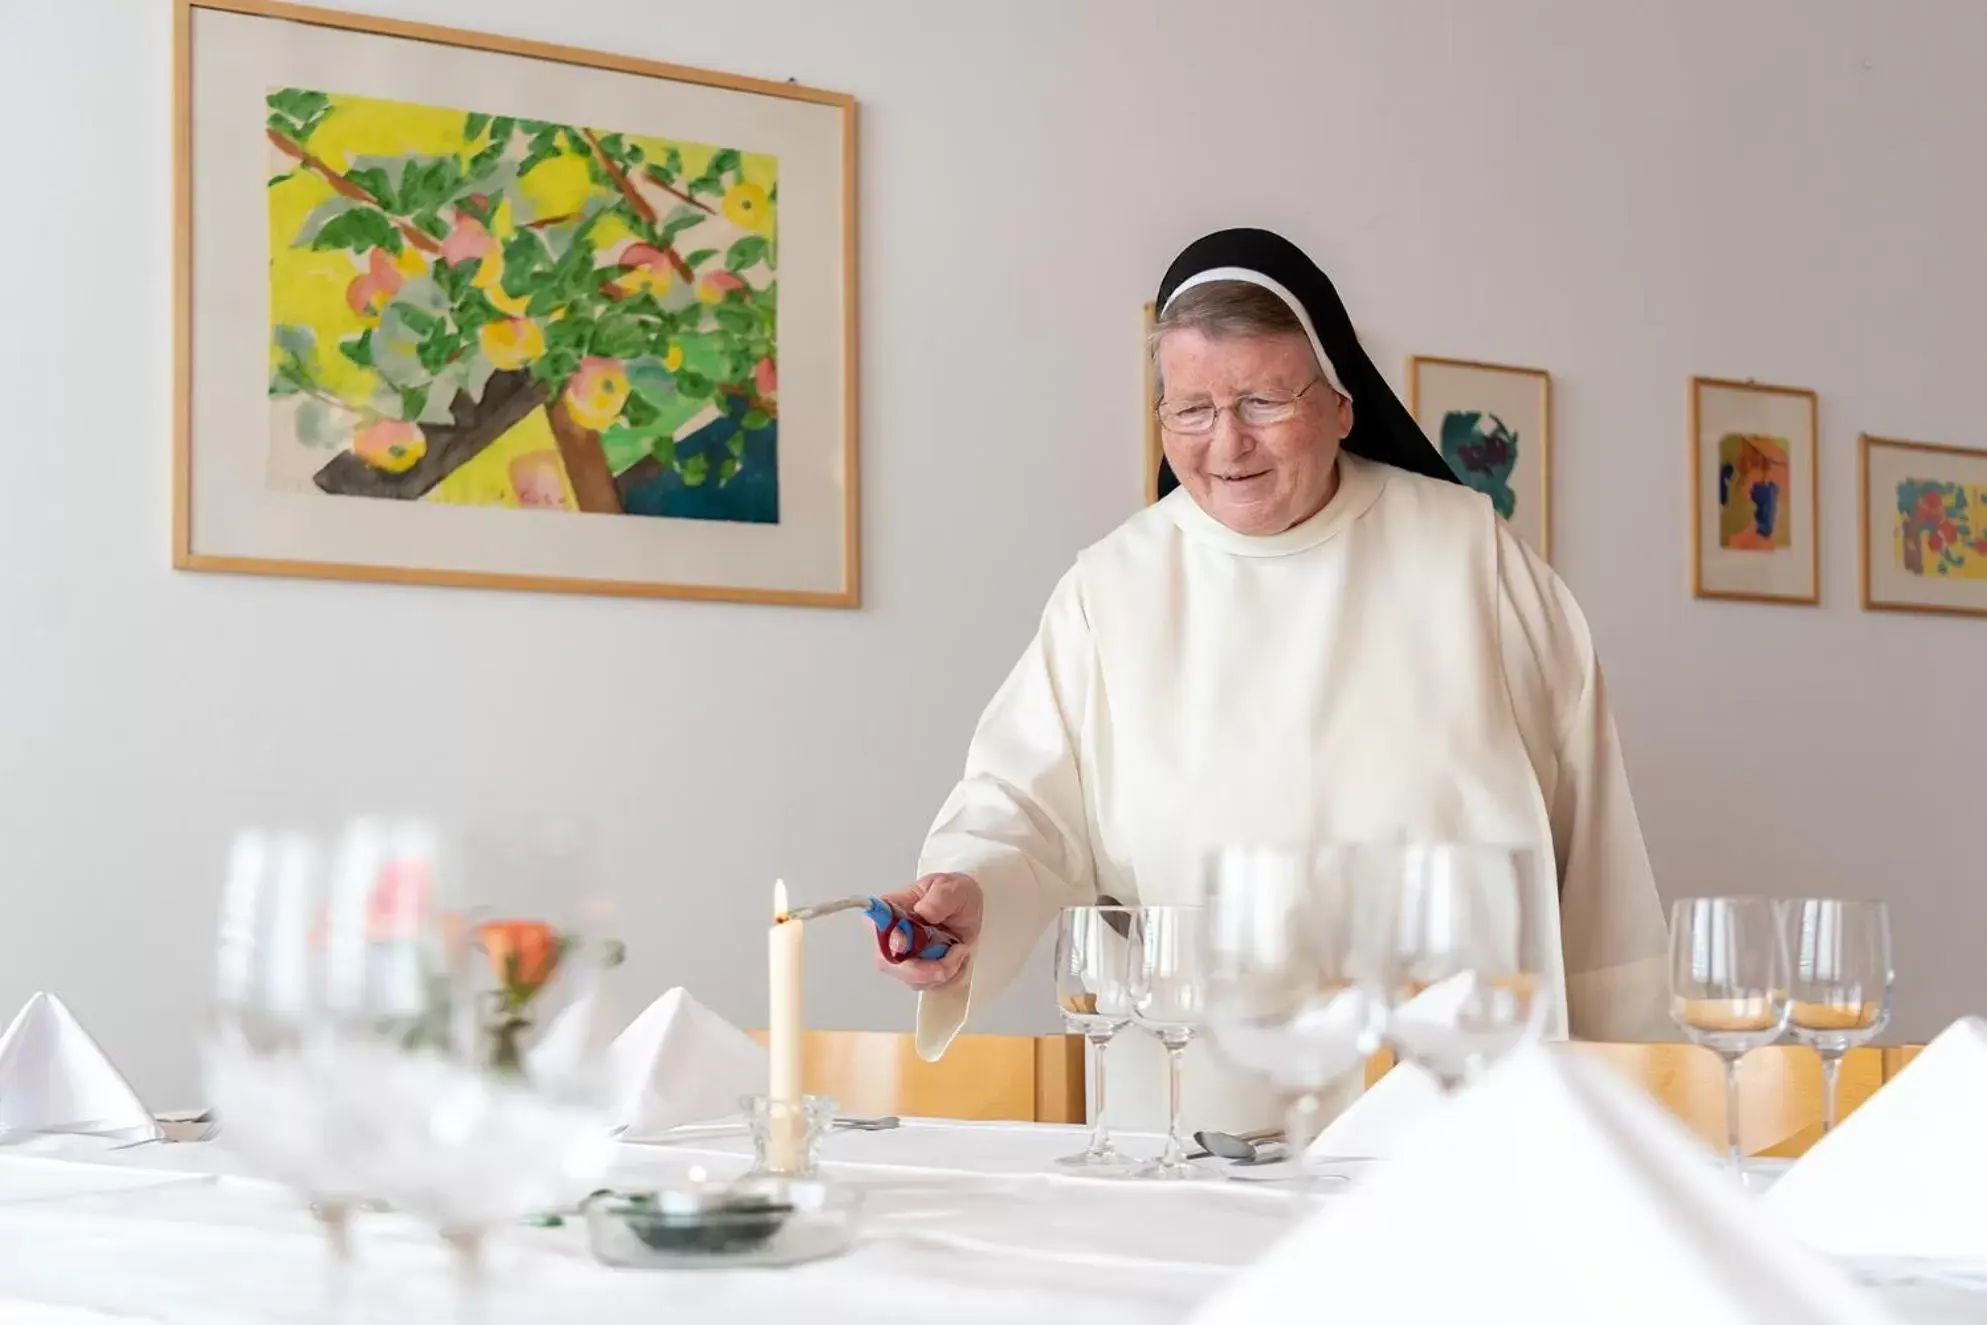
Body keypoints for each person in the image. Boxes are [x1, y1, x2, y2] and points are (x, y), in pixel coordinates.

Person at [878, 227, 1670, 1130]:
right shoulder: (1111, 588)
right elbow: (1024, 809)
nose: (1227, 445)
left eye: (1261, 400)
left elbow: (1595, 841)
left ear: (1340, 403)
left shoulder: (1469, 557)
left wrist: (1631, 1082)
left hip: (1454, 1111)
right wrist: (969, 888)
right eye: (1190, 408)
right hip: (1199, 1101)